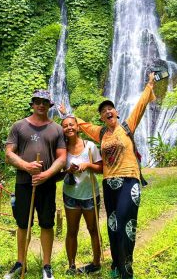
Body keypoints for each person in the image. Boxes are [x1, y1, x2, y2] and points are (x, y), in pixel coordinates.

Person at [63, 73, 156, 279]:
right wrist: (67, 115)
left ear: (116, 112)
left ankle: (126, 270)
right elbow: (82, 125)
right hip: (108, 183)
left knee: (125, 223)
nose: (107, 112)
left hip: (129, 180)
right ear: (101, 118)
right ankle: (115, 264)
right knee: (113, 225)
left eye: (110, 109)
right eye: (103, 111)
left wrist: (150, 84)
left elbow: (141, 105)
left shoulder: (127, 126)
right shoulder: (101, 133)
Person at [4, 89, 67, 279]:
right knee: (23, 224)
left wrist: (45, 174)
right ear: (32, 104)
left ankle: (46, 266)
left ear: (50, 105)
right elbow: (9, 153)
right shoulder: (19, 126)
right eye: (38, 101)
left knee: (47, 224)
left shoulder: (57, 129)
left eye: (45, 102)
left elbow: (62, 157)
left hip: (47, 185)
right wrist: (27, 166)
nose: (41, 105)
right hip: (24, 183)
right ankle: (20, 263)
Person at [60, 114, 103, 275]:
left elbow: (101, 168)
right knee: (72, 230)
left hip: (90, 194)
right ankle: (71, 266)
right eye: (65, 126)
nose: (69, 127)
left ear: (78, 127)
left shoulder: (90, 146)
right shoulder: (62, 149)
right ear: (62, 130)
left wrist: (88, 165)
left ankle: (96, 263)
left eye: (72, 124)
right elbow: (59, 171)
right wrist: (67, 170)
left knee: (93, 228)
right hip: (71, 194)